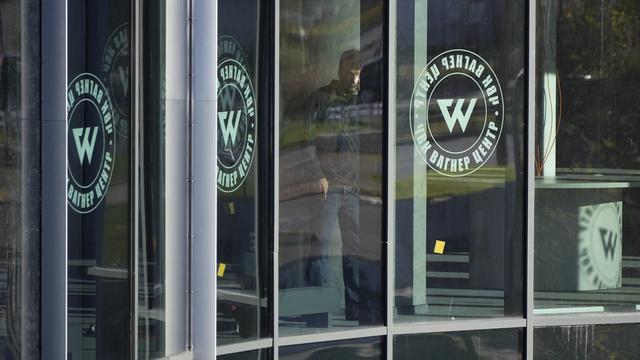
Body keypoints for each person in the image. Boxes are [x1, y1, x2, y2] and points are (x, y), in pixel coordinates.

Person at [305, 49, 362, 322]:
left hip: (354, 188)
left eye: (358, 74)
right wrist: (318, 174)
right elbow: (305, 141)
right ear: (340, 70)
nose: (354, 79)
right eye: (350, 73)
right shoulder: (321, 98)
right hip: (326, 187)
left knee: (355, 251)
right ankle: (318, 315)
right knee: (321, 250)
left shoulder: (364, 100)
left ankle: (356, 312)